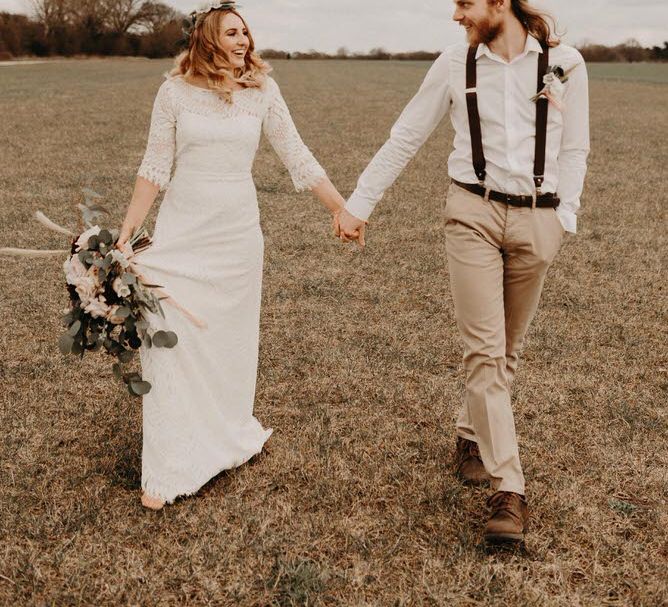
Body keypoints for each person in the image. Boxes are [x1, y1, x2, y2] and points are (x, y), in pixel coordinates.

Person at [336, 0, 589, 544]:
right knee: (483, 350)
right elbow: (406, 136)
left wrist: (563, 218)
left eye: (465, 3)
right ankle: (509, 491)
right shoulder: (454, 63)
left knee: (508, 349)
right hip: (471, 212)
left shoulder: (566, 63)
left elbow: (576, 147)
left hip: (538, 219)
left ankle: (471, 433)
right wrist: (360, 204)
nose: (456, 15)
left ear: (500, 2)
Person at [117, 0, 347, 510]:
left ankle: (221, 438)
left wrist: (338, 208)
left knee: (227, 341)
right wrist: (127, 234)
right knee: (168, 342)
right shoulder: (173, 92)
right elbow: (155, 165)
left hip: (237, 235)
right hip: (183, 231)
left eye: (245, 32)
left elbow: (296, 153)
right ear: (206, 39)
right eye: (231, 33)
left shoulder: (263, 91)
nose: (243, 41)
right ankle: (168, 465)